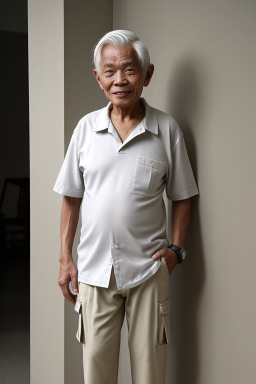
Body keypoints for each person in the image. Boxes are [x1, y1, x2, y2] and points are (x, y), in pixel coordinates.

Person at [53, 30, 199, 384]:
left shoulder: (167, 129)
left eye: (129, 70)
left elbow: (182, 196)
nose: (120, 80)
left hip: (149, 272)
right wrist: (65, 258)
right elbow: (71, 197)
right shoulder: (85, 129)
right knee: (97, 374)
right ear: (98, 77)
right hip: (93, 271)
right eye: (110, 71)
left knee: (151, 374)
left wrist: (176, 251)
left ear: (147, 74)